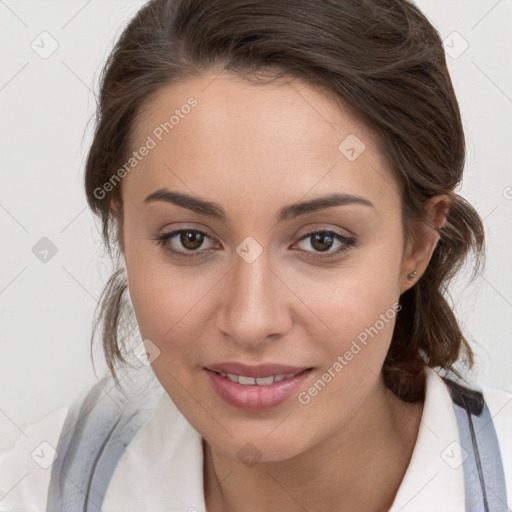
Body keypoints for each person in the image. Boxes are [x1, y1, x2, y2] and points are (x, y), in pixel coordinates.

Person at [1, 0, 511, 510]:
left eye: (322, 241)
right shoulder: (36, 485)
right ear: (121, 228)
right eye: (190, 239)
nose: (249, 321)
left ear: (417, 245)